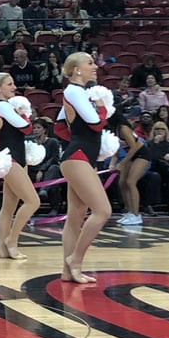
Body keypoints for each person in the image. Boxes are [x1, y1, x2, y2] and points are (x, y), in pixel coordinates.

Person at [56, 52, 111, 284]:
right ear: (77, 69)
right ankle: (75, 260)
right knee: (103, 211)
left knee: (76, 217)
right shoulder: (73, 90)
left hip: (80, 156)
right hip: (77, 157)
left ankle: (68, 271)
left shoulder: (79, 93)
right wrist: (102, 107)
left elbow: (59, 127)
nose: (95, 66)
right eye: (89, 63)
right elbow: (95, 123)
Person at [0, 73, 41, 260]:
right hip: (11, 159)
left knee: (8, 206)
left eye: (13, 83)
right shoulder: (1, 105)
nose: (14, 87)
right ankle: (12, 240)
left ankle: (4, 249)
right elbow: (26, 128)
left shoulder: (4, 106)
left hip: (16, 156)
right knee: (33, 201)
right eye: (9, 84)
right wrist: (24, 113)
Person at [107, 110, 152, 225]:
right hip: (130, 156)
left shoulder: (123, 129)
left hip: (141, 154)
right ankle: (129, 212)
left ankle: (136, 215)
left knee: (131, 182)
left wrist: (122, 163)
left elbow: (134, 147)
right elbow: (116, 151)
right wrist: (112, 164)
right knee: (122, 183)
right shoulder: (114, 130)